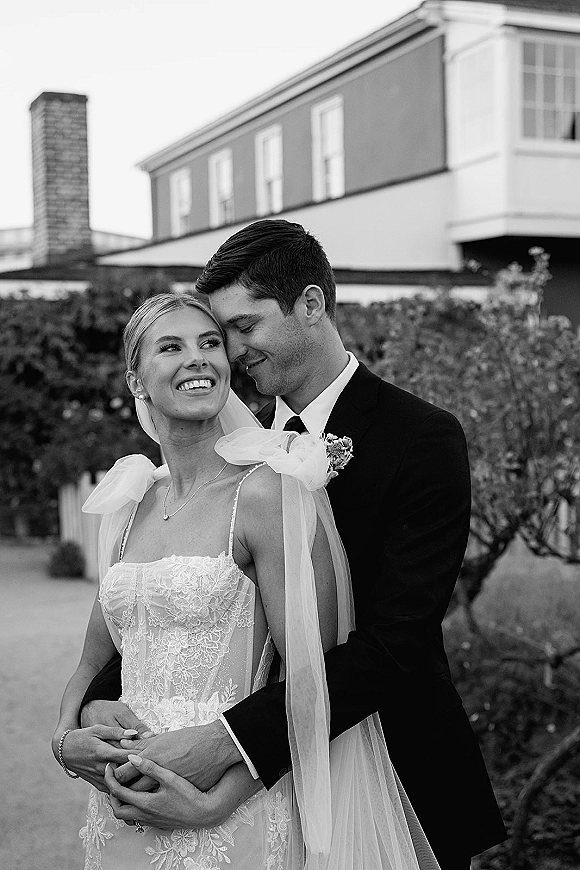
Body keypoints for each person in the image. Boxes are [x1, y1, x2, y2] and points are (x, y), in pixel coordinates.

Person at [78, 221, 507, 869]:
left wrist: (230, 756)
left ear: (310, 304)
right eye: (225, 336)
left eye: (245, 327)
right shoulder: (222, 453)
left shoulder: (420, 438)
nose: (232, 350)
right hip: (228, 781)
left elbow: (398, 641)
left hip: (387, 765)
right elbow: (165, 604)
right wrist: (91, 711)